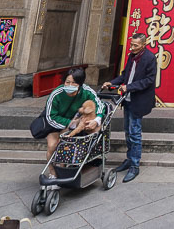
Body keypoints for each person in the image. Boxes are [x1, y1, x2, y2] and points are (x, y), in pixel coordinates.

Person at [102, 32, 156, 183]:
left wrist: (129, 87)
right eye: (131, 44)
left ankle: (135, 165)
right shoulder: (132, 57)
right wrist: (112, 83)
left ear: (143, 45)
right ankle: (129, 158)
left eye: (135, 45)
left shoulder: (149, 58)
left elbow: (149, 80)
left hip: (139, 100)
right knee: (128, 131)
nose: (132, 48)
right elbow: (125, 76)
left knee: (135, 132)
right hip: (128, 99)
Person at [43, 68, 104, 166]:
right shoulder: (56, 94)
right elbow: (50, 116)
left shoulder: (87, 91)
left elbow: (100, 105)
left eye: (74, 83)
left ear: (80, 84)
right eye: (67, 82)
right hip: (57, 124)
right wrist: (70, 123)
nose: (70, 85)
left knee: (75, 143)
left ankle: (65, 168)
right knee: (52, 145)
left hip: (79, 124)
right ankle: (52, 171)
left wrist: (96, 120)